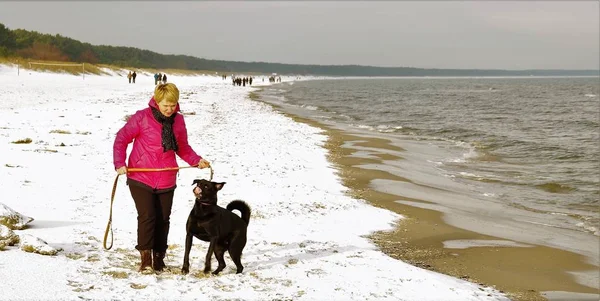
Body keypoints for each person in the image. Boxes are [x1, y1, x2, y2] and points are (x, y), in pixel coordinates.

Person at [112, 83, 211, 274]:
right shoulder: (141, 117)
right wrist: (119, 163)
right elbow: (121, 138)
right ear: (157, 101)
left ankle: (159, 257)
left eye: (173, 105)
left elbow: (182, 147)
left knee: (163, 219)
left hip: (167, 177)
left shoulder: (179, 121)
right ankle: (145, 259)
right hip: (141, 176)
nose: (169, 109)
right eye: (166, 105)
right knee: (148, 216)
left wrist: (196, 160)